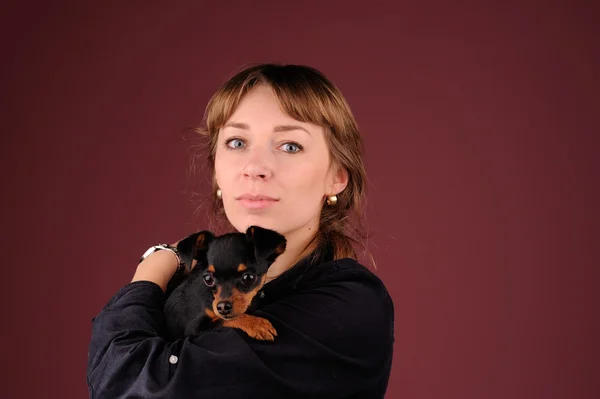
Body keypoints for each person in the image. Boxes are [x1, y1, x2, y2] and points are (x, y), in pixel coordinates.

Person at [86, 63, 395, 398]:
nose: (255, 168)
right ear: (216, 172)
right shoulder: (197, 283)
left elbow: (125, 385)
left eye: (289, 146)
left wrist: (153, 268)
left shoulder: (348, 306)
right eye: (236, 142)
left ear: (337, 176)